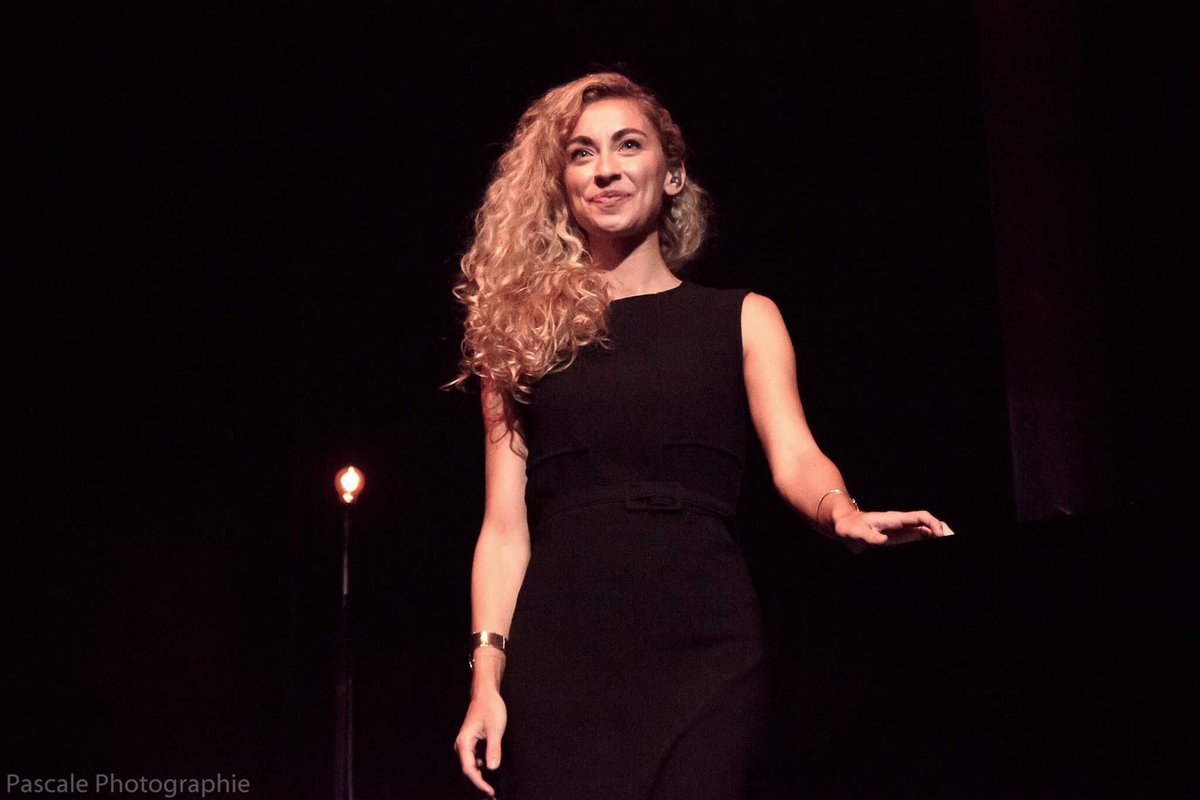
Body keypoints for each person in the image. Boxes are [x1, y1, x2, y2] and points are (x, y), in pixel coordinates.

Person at [447, 72, 950, 799]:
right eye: (582, 153)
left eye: (628, 145)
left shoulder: (743, 317)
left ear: (672, 172)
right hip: (564, 652)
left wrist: (841, 510)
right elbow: (502, 529)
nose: (607, 169)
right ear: (561, 184)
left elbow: (796, 454)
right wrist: (486, 680)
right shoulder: (520, 339)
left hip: (704, 641)